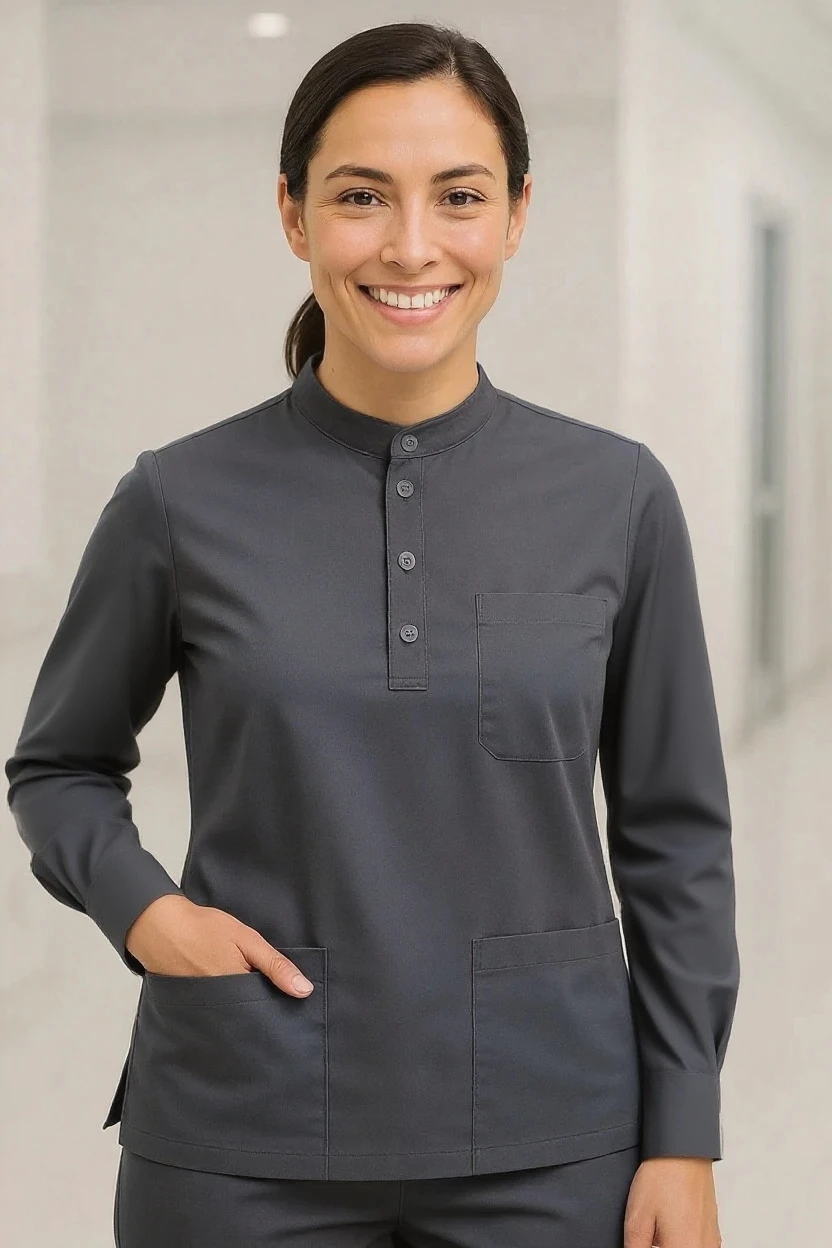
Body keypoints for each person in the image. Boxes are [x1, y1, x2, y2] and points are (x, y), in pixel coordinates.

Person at [5, 20, 739, 1248]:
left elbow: (673, 836)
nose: (411, 245)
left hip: (554, 1133)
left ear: (514, 214)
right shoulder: (178, 501)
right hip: (239, 1136)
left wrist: (685, 1132)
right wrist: (145, 910)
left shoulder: (616, 498)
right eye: (360, 197)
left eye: (459, 196)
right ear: (293, 215)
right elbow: (59, 766)